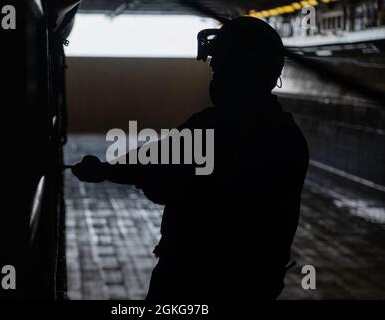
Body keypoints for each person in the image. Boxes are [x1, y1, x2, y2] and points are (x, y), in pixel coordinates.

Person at [72, 16, 309, 299]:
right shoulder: (289, 137)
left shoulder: (212, 128)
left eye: (219, 68)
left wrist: (104, 170)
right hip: (257, 284)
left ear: (239, 72)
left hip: (191, 281)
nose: (214, 76)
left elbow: (156, 169)